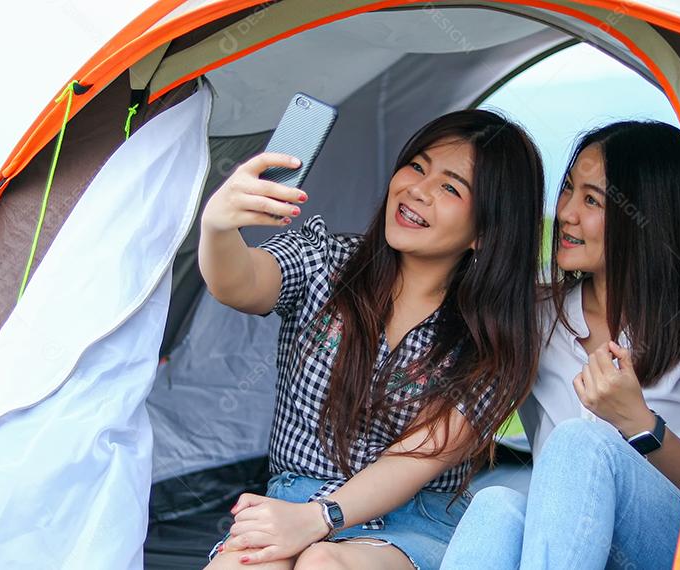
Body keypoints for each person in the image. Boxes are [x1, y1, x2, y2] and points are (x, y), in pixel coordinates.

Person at [198, 109, 545, 570]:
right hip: (293, 498)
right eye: (417, 166)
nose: (417, 190)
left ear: (486, 230)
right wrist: (218, 227)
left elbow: (413, 460)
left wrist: (320, 519)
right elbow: (239, 283)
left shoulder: (492, 339)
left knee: (324, 564)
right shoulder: (323, 261)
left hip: (415, 522)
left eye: (450, 187)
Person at [441, 121, 680, 569]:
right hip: (568, 544)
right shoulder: (534, 316)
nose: (565, 212)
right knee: (495, 508)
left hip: (671, 546)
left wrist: (639, 422)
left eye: (591, 200)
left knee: (581, 443)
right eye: (568, 189)